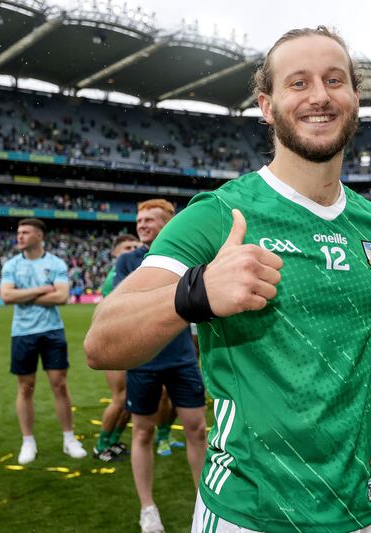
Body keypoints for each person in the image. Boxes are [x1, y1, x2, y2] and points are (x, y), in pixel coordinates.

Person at [84, 26, 371, 533]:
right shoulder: (220, 214)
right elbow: (101, 341)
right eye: (298, 83)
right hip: (247, 513)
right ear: (266, 106)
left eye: (335, 80)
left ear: (356, 97)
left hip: (362, 508)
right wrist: (195, 293)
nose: (319, 96)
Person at [112, 199, 207, 533]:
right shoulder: (127, 261)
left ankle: (204, 503)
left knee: (197, 429)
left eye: (150, 219)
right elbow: (124, 307)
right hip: (144, 360)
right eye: (139, 219)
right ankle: (147, 508)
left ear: (170, 223)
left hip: (181, 357)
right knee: (142, 431)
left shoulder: (190, 256)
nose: (141, 224)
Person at [0, 218, 86, 464]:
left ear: (39, 235)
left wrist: (22, 295)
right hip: (23, 333)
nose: (20, 236)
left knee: (59, 385)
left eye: (25, 232)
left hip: (52, 332)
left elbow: (61, 297)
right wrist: (40, 290)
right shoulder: (11, 264)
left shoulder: (55, 263)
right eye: (18, 232)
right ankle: (28, 441)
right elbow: (6, 296)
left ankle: (69, 438)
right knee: (25, 387)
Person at [94, 233, 139, 462]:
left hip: (131, 342)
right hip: (115, 341)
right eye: (127, 247)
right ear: (114, 253)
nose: (132, 250)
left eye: (135, 246)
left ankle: (113, 441)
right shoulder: (116, 276)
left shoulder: (132, 271)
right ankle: (101, 446)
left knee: (131, 399)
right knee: (120, 398)